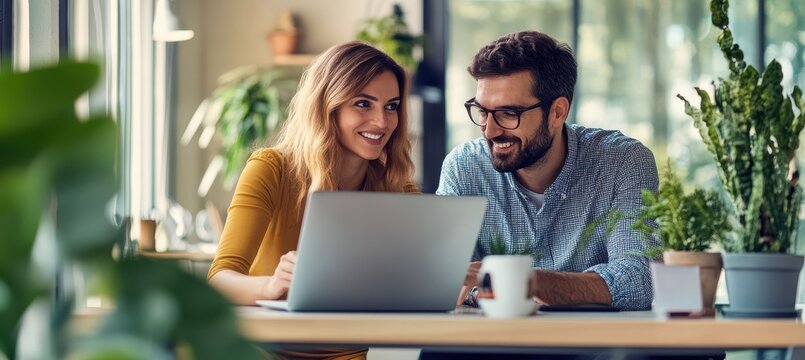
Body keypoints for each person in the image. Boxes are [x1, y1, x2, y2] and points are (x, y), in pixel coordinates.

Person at [208, 41, 418, 360]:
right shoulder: (271, 169)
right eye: (363, 104)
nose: (382, 122)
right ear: (326, 105)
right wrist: (272, 286)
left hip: (349, 354)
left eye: (391, 106)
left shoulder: (396, 187)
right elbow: (220, 280)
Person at [440, 30, 659, 313]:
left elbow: (639, 279)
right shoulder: (464, 167)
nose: (490, 130)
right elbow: (446, 279)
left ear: (557, 112)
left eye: (509, 113)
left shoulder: (623, 162)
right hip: (494, 347)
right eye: (482, 111)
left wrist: (529, 282)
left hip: (595, 348)